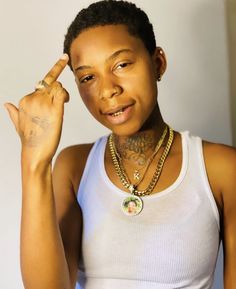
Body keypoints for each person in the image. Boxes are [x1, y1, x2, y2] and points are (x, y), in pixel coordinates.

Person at [4, 1, 236, 289]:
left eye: (122, 64)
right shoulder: (74, 166)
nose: (108, 90)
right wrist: (35, 163)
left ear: (157, 62)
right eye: (88, 77)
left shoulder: (222, 169)